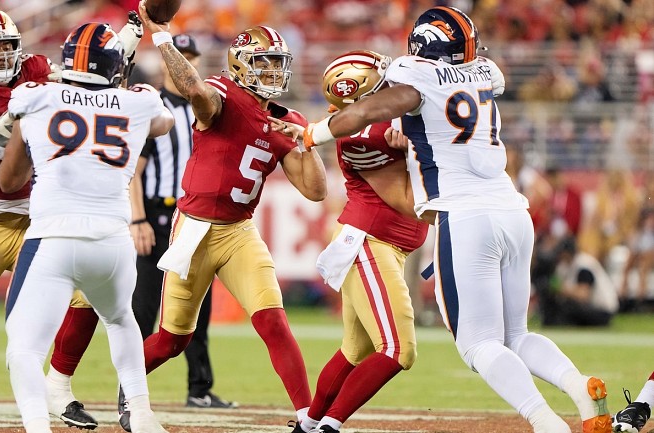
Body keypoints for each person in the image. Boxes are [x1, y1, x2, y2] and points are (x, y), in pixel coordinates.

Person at [293, 6, 612, 433]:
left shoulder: (416, 77)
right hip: (513, 211)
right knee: (516, 334)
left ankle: (545, 422)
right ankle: (579, 385)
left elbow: (362, 114)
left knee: (479, 344)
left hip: (467, 217)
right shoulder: (485, 71)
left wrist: (313, 132)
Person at [0, 7, 143, 429]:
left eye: (5, 45)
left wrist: (128, 38)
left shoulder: (35, 71)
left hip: (32, 221)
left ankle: (58, 386)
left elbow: (85, 83)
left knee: (87, 295)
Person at [130, 2, 327, 425]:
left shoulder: (282, 119)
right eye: (265, 63)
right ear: (240, 65)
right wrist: (162, 35)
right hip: (194, 229)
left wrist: (307, 142)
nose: (274, 72)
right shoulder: (222, 93)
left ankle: (308, 415)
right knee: (171, 340)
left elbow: (315, 191)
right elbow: (196, 93)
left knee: (273, 320)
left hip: (239, 231)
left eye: (278, 63)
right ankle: (128, 390)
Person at [0, 22, 174, 433]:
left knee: (23, 349)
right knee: (121, 321)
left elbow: (9, 180)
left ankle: (38, 427)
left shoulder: (34, 96)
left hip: (53, 240)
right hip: (113, 243)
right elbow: (162, 124)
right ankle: (141, 411)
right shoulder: (140, 102)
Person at [290, 50, 429, 433]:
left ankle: (309, 425)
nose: (391, 86)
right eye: (380, 82)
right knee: (399, 349)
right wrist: (417, 147)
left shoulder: (386, 124)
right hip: (369, 245)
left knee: (355, 350)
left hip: (384, 246)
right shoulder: (360, 135)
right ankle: (331, 426)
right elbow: (409, 202)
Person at [119, 34, 235, 428]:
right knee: (146, 305)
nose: (185, 63)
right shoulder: (156, 106)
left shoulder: (202, 105)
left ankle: (199, 388)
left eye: (190, 57)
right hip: (157, 213)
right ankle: (129, 390)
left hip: (193, 214)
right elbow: (135, 171)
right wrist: (138, 220)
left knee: (196, 305)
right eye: (179, 57)